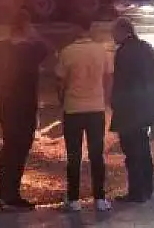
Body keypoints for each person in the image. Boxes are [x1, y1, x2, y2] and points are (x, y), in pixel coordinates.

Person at [0, 10, 52, 211]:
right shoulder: (32, 49)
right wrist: (34, 34)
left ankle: (3, 189)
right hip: (25, 106)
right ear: (26, 27)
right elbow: (49, 50)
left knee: (9, 146)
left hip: (7, 105)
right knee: (20, 148)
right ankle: (10, 193)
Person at [55, 15, 114, 212]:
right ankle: (100, 198)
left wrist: (62, 99)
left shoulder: (67, 52)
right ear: (90, 29)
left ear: (75, 29)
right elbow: (108, 78)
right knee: (97, 155)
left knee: (74, 155)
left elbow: (60, 82)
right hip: (96, 109)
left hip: (73, 109)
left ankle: (73, 200)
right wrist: (103, 98)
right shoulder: (101, 51)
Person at [109, 18, 154, 203]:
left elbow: (121, 83)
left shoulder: (124, 52)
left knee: (132, 152)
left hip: (130, 110)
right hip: (147, 108)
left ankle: (136, 192)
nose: (112, 37)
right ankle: (147, 189)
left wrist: (115, 104)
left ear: (122, 31)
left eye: (114, 33)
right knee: (143, 149)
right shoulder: (147, 48)